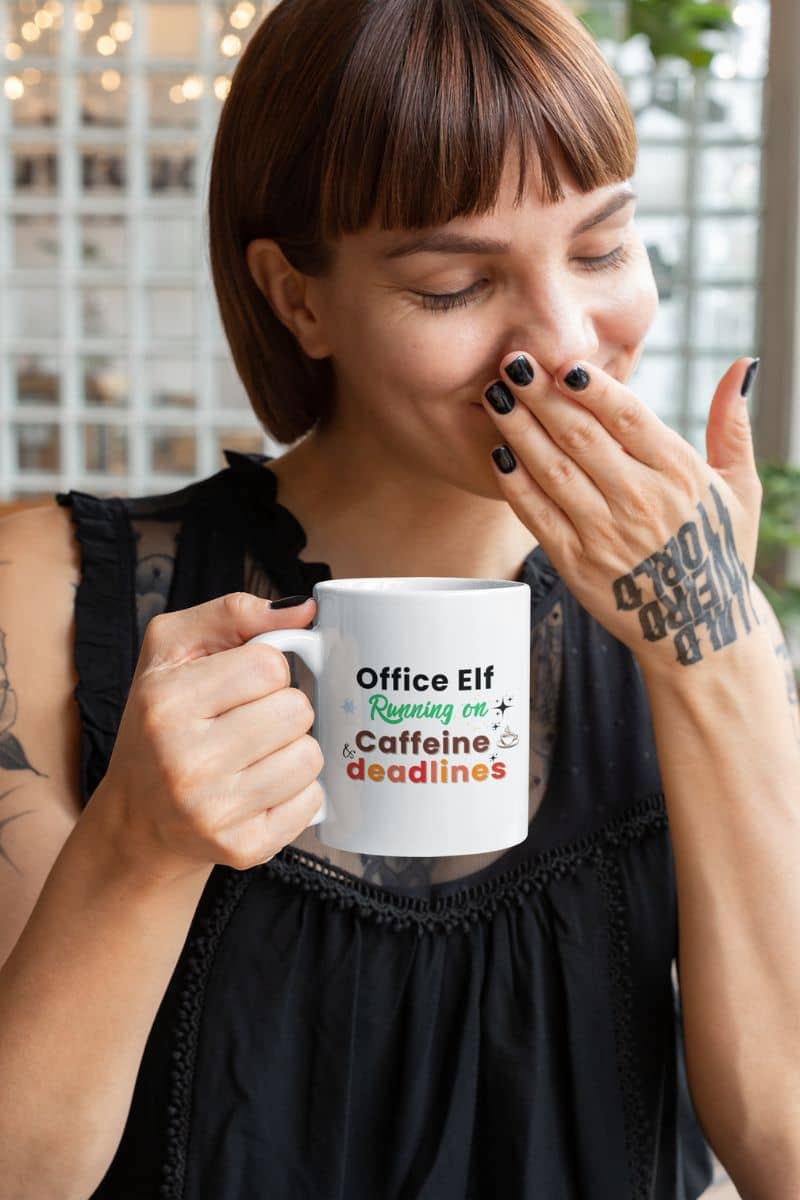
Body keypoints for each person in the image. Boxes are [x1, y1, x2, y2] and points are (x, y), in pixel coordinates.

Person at [1, 1, 799, 1197]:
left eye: (599, 248)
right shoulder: (47, 592)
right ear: (298, 299)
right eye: (449, 285)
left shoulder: (698, 605)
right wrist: (137, 847)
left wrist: (712, 648)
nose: (568, 339)